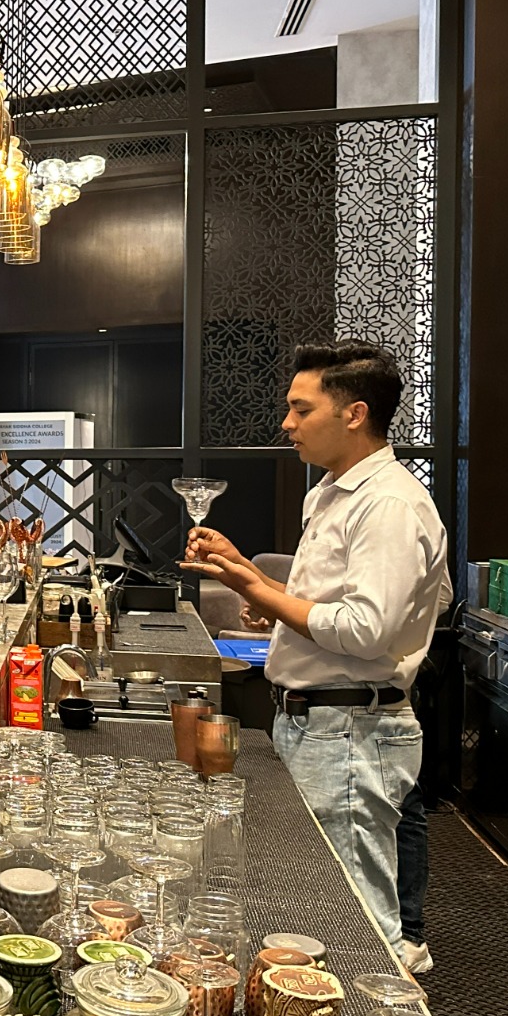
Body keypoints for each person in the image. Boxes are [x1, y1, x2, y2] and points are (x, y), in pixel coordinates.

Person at [183, 341, 450, 968]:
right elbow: (323, 606)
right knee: (317, 904)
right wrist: (248, 573)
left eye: (301, 410)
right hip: (315, 720)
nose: (287, 423)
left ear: (354, 414)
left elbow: (364, 631)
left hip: (351, 726)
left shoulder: (388, 504)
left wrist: (257, 591)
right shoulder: (332, 493)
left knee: (355, 920)